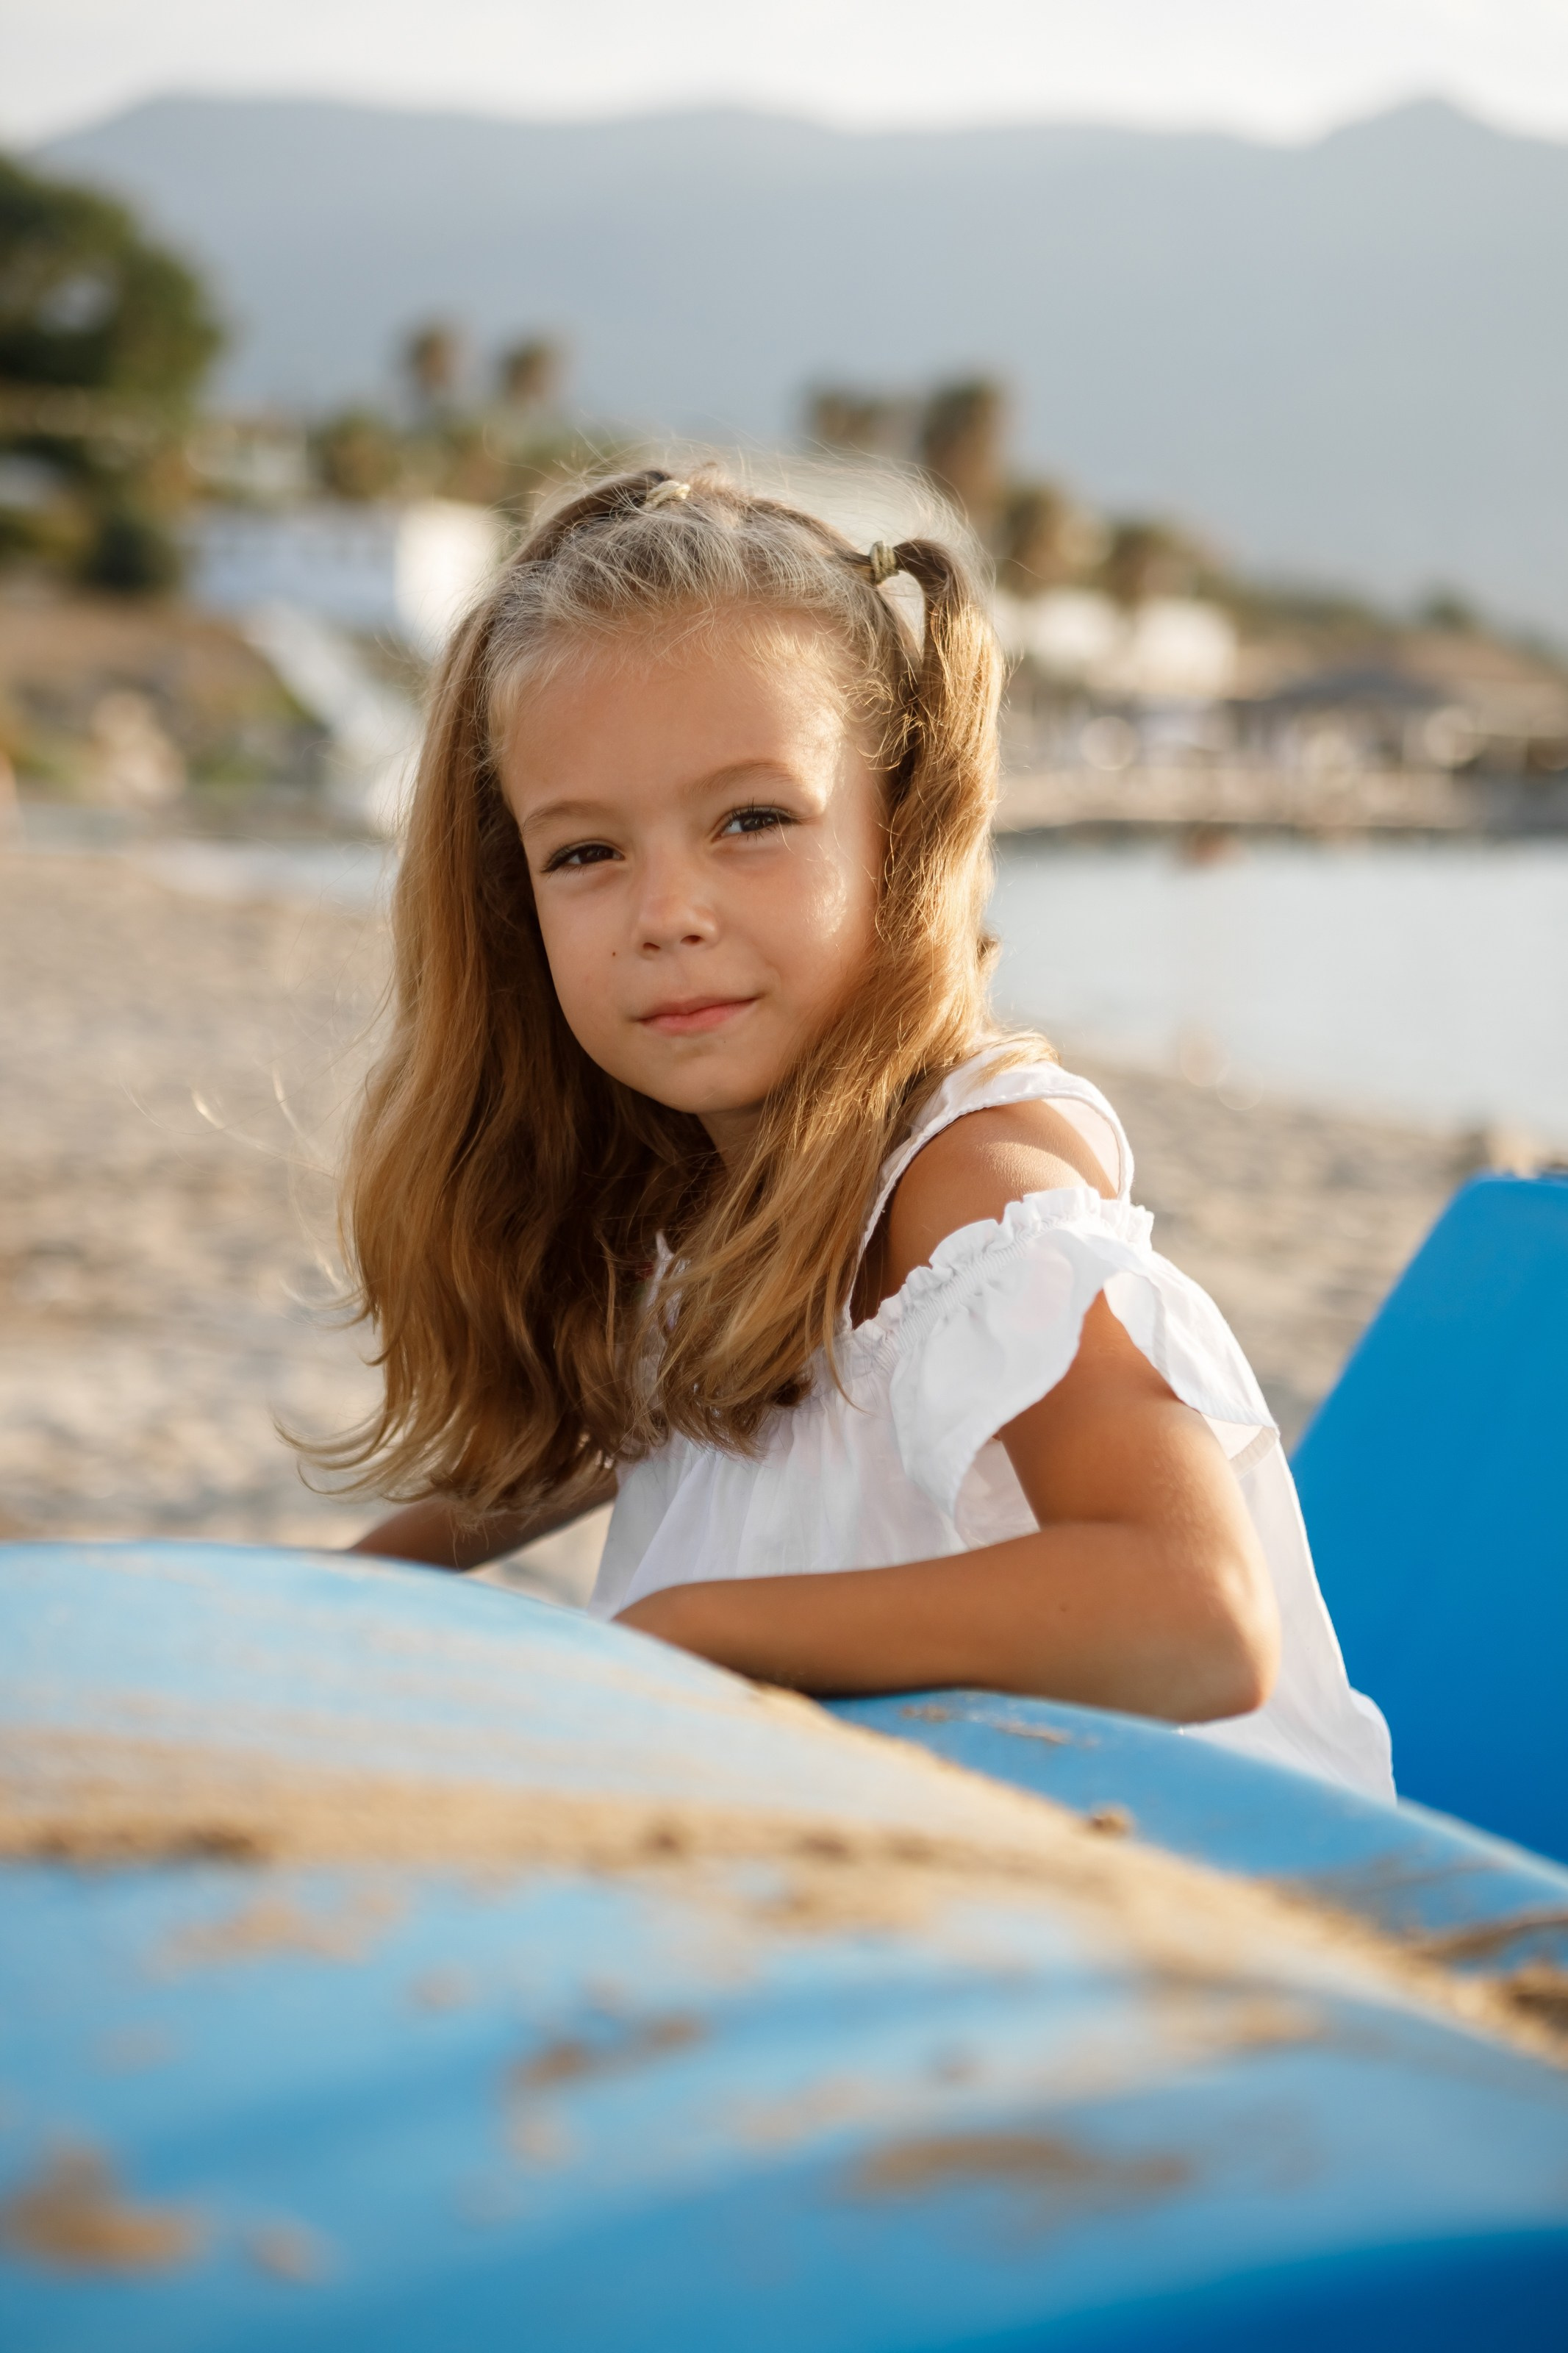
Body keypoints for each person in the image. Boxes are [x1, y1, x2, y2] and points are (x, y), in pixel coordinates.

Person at [337, 465, 1392, 1799]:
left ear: (901, 834)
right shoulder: (723, 1208)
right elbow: (602, 1443)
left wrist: (687, 1634)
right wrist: (316, 1603)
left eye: (752, 822)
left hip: (1201, 1914)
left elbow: (1195, 1614)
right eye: (586, 853)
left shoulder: (971, 1194)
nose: (667, 910)